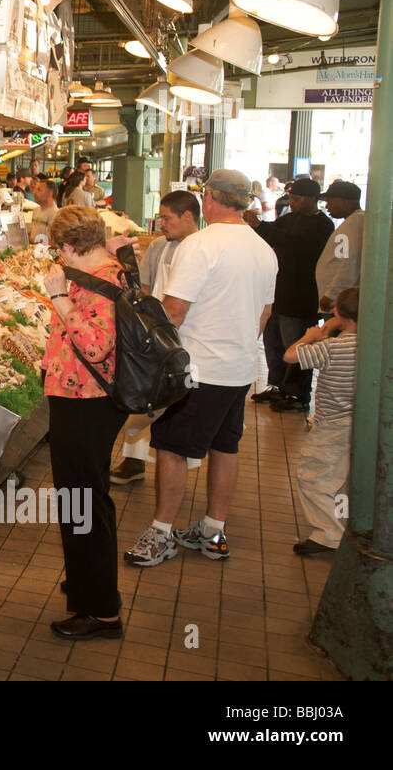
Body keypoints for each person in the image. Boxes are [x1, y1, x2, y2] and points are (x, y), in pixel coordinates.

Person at [123, 169, 277, 568]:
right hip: (239, 369)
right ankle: (213, 531)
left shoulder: (201, 245)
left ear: (208, 198)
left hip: (197, 370)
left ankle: (161, 533)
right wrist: (239, 347)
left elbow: (173, 311)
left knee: (172, 450)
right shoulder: (264, 249)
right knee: (226, 447)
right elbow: (265, 312)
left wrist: (145, 353)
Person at [40, 206, 132, 640]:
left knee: (83, 503)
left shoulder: (101, 283)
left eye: (62, 250)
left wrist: (59, 298)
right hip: (82, 399)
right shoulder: (111, 266)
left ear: (73, 247)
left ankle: (100, 611)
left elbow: (95, 347)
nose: (59, 259)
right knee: (85, 498)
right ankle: (85, 584)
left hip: (86, 401)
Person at [110, 190, 201, 486]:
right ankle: (135, 461)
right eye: (160, 217)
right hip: (156, 336)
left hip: (187, 341)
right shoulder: (160, 246)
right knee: (145, 401)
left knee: (175, 408)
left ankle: (174, 468)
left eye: (166, 218)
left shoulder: (202, 250)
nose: (160, 223)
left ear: (188, 216)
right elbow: (144, 288)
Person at [245, 176, 334, 413]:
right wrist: (258, 225)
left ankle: (297, 393)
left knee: (296, 345)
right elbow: (272, 234)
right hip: (279, 294)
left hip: (302, 298)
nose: (291, 202)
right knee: (272, 341)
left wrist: (261, 226)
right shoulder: (289, 219)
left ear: (312, 199)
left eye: (296, 198)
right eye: (290, 198)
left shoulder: (323, 226)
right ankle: (276, 386)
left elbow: (296, 244)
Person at [284, 286, 358, 556]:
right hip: (358, 424)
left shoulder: (332, 347)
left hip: (332, 426)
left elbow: (290, 356)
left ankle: (330, 534)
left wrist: (310, 335)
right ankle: (344, 527)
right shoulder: (373, 345)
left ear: (337, 312)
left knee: (313, 478)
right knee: (341, 480)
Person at [315, 180, 364, 315]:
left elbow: (348, 262)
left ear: (344, 202)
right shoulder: (354, 221)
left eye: (330, 201)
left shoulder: (352, 224)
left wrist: (332, 294)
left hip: (338, 304)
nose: (327, 205)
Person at [28, 174, 59, 245]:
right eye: (35, 189)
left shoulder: (56, 214)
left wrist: (34, 241)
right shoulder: (36, 210)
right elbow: (30, 233)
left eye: (39, 190)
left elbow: (56, 242)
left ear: (49, 193)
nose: (34, 192)